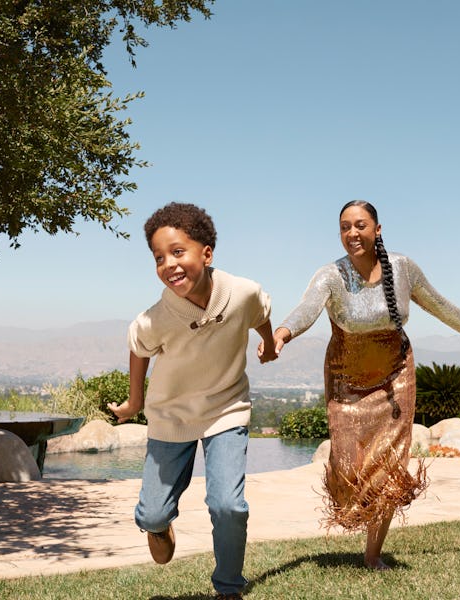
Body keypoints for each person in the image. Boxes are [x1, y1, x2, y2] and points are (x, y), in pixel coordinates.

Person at [264, 200, 460, 571]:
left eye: (361, 225)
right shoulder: (330, 275)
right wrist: (283, 333)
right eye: (345, 227)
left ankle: (372, 554)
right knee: (347, 464)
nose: (353, 233)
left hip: (395, 376)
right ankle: (357, 517)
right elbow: (308, 307)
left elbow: (442, 306)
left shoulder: (402, 269)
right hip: (346, 378)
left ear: (377, 229)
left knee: (387, 464)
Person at [109, 202, 277, 600]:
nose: (169, 264)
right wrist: (135, 402)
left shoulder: (242, 292)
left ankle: (229, 589)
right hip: (171, 417)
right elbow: (138, 347)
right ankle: (158, 524)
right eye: (158, 258)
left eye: (177, 251)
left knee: (228, 506)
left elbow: (261, 312)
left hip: (226, 410)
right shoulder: (156, 317)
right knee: (151, 513)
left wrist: (269, 343)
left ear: (207, 252)